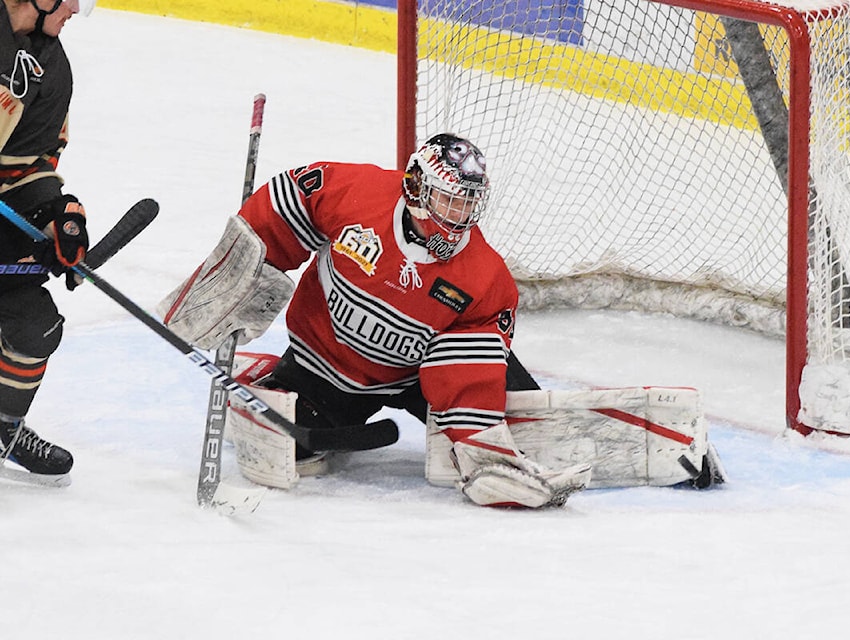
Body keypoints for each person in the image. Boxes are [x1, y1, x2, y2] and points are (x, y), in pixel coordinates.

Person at [160, 133, 590, 508]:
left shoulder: (485, 277)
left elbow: (468, 366)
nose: (458, 216)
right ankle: (266, 375)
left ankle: (509, 433)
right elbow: (289, 201)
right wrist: (243, 271)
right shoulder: (357, 194)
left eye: (468, 204)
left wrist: (481, 444)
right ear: (417, 187)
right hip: (325, 367)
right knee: (288, 448)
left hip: (418, 376)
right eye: (449, 200)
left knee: (526, 426)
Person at [0, 0, 96, 480]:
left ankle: (4, 428)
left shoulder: (52, 67)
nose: (76, 7)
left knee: (35, 325)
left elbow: (29, 164)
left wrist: (55, 213)